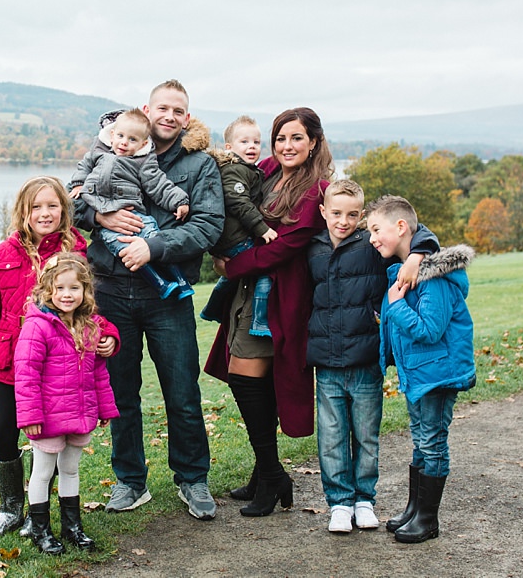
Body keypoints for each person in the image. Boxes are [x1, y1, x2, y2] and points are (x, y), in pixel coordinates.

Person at [73, 80, 225, 519]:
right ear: (147, 109)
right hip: (111, 289)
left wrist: (152, 248)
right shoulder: (109, 150)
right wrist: (99, 214)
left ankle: (193, 480)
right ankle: (129, 481)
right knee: (122, 392)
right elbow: (72, 198)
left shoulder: (198, 166)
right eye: (163, 108)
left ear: (187, 118)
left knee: (181, 391)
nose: (170, 116)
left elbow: (208, 226)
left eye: (179, 110)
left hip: (168, 294)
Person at [0, 176, 117, 541]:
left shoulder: (75, 251)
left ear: (64, 210)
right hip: (11, 363)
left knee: (45, 439)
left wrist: (109, 334)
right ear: (24, 211)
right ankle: (10, 509)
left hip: (56, 366)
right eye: (37, 207)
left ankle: (39, 515)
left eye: (52, 206)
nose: (45, 213)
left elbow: (89, 306)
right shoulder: (3, 254)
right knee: (3, 432)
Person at [204, 106, 333, 517]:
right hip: (249, 292)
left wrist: (232, 264)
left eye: (296, 138)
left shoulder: (319, 189)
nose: (286, 145)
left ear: (313, 142)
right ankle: (268, 473)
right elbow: (229, 195)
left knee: (252, 377)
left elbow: (286, 246)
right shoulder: (264, 171)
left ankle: (272, 475)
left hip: (282, 297)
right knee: (247, 380)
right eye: (280, 137)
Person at [307, 179, 438, 535]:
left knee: (366, 434)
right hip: (327, 360)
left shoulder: (371, 244)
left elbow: (421, 232)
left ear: (362, 217)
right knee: (331, 435)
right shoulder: (312, 246)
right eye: (335, 213)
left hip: (366, 358)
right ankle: (339, 503)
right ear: (323, 212)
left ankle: (364, 499)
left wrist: (415, 256)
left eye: (352, 215)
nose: (343, 221)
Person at [368, 195, 476, 544]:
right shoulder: (404, 270)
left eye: (375, 230)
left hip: (438, 374)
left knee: (432, 443)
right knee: (421, 441)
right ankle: (415, 509)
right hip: (419, 373)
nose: (371, 238)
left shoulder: (434, 278)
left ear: (401, 228)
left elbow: (430, 329)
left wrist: (395, 308)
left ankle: (428, 519)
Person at [14, 254, 120, 555]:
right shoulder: (38, 326)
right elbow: (26, 374)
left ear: (85, 291)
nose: (66, 295)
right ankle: (40, 529)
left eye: (74, 288)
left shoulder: (90, 326)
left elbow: (98, 372)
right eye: (59, 288)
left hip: (80, 412)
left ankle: (72, 527)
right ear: (48, 290)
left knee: (71, 469)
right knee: (44, 472)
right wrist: (30, 415)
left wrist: (105, 408)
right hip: (46, 416)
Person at [68, 108, 193, 299]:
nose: (124, 143)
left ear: (142, 143)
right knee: (124, 252)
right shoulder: (98, 153)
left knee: (152, 236)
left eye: (132, 140)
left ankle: (181, 281)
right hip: (103, 214)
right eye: (120, 136)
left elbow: (158, 183)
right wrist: (78, 184)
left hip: (134, 214)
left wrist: (179, 201)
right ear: (112, 135)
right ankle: (161, 284)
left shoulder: (142, 161)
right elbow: (83, 168)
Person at [200, 115, 276, 336]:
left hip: (232, 237)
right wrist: (262, 228)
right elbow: (238, 202)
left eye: (256, 142)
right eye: (244, 142)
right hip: (235, 237)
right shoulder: (235, 170)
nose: (251, 146)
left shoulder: (248, 169)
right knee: (265, 270)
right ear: (229, 147)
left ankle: (213, 307)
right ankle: (260, 321)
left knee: (233, 273)